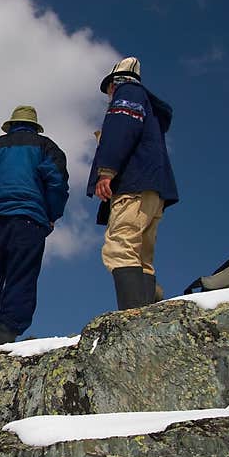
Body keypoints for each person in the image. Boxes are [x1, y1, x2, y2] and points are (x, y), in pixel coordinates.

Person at [0, 105, 69, 351]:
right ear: (35, 127)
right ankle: (5, 338)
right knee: (21, 278)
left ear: (10, 125)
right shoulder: (46, 147)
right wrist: (51, 215)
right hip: (29, 220)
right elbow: (57, 184)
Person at [86, 57, 179, 310]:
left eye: (108, 90)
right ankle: (146, 313)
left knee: (120, 246)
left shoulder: (127, 94)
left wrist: (106, 171)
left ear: (114, 84)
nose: (108, 96)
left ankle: (132, 317)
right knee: (143, 257)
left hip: (132, 185)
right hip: (155, 190)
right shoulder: (150, 109)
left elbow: (121, 129)